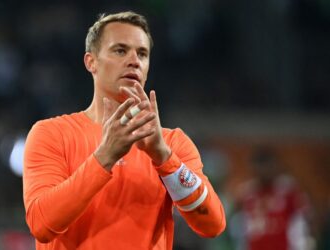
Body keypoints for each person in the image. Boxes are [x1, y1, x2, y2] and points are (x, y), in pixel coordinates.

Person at [23, 11, 226, 249]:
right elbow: (42, 225)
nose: (134, 60)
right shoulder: (51, 134)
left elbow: (213, 225)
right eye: (120, 50)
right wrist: (105, 156)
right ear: (91, 62)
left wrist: (163, 157)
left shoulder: (172, 143)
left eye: (142, 53)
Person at [231, 147, 312, 250]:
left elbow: (303, 222)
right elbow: (238, 226)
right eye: (259, 166)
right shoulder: (247, 193)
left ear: (275, 165)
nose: (263, 171)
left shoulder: (289, 190)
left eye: (267, 166)